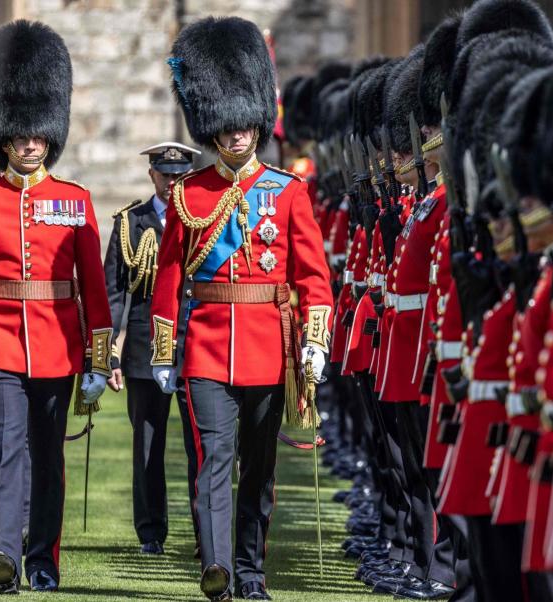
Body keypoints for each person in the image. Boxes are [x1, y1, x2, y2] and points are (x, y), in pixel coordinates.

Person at [151, 16, 333, 601]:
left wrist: (315, 338)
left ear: (256, 121)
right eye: (224, 127)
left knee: (257, 473)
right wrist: (162, 349)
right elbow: (170, 276)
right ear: (212, 127)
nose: (234, 136)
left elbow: (313, 275)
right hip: (205, 347)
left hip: (268, 346)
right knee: (213, 463)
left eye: (242, 125)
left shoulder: (287, 191)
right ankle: (218, 570)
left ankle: (251, 571)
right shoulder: (188, 192)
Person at [0, 20, 113, 594]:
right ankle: (1, 552)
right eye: (19, 135)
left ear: (50, 133)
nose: (29, 144)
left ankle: (43, 557)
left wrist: (96, 361)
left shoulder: (74, 202)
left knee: (48, 459)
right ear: (6, 135)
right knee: (4, 453)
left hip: (57, 344)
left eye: (38, 135)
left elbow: (93, 289)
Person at [103, 141, 202, 556]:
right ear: (152, 176)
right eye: (165, 176)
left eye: (179, 177)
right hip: (145, 345)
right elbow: (114, 293)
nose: (171, 184)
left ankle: (206, 534)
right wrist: (108, 353)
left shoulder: (203, 219)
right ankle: (150, 532)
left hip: (196, 340)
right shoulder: (131, 223)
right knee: (147, 444)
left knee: (203, 444)